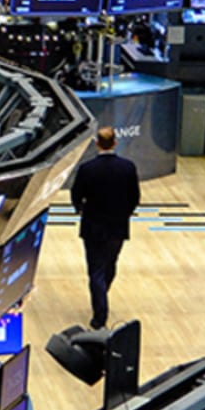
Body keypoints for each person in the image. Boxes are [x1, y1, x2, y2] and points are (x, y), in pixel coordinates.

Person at [70, 125, 141, 330]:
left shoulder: (87, 169)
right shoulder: (128, 167)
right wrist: (125, 213)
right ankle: (101, 304)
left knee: (96, 271)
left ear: (96, 143)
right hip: (118, 227)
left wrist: (80, 210)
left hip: (93, 227)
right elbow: (134, 197)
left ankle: (100, 309)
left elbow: (76, 195)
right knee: (109, 266)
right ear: (115, 142)